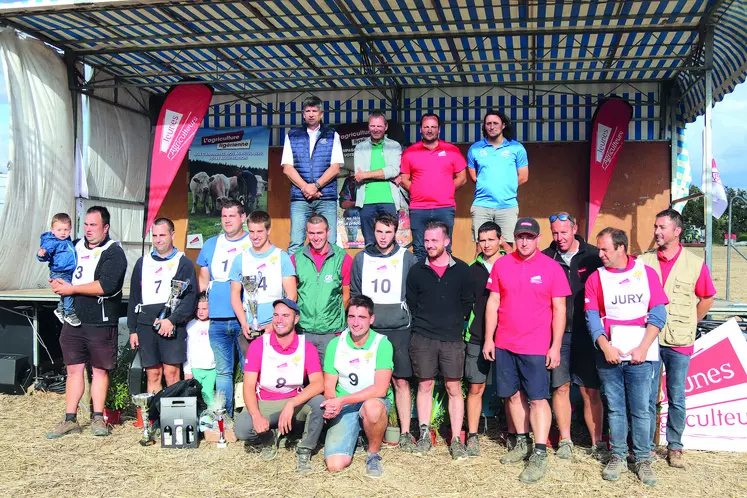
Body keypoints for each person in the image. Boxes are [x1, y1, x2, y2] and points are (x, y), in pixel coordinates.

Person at [482, 217, 570, 483]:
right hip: (506, 343)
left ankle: (540, 451)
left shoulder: (552, 267)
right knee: (511, 396)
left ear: (538, 239)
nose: (524, 241)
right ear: (514, 238)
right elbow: (493, 303)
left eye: (529, 237)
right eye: (520, 236)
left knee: (538, 399)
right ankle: (522, 442)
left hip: (536, 345)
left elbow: (560, 309)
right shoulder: (501, 264)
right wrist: (489, 339)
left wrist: (555, 346)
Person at [585, 227, 668, 487]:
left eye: (605, 249)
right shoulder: (595, 279)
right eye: (599, 249)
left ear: (621, 248)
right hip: (610, 355)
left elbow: (658, 313)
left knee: (642, 409)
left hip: (642, 357)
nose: (600, 254)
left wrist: (643, 347)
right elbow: (592, 319)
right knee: (616, 408)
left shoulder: (646, 273)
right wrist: (605, 347)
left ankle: (643, 458)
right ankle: (618, 455)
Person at [641, 209, 715, 469]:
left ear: (677, 231)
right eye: (655, 226)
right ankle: (646, 447)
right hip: (648, 340)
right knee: (647, 396)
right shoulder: (643, 261)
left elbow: (707, 298)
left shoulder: (695, 263)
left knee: (676, 396)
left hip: (679, 339)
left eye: (662, 227)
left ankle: (675, 447)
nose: (657, 232)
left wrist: (690, 321)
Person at [46, 206, 127, 438]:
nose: (88, 230)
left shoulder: (114, 252)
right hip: (73, 321)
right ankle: (70, 419)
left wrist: (72, 288)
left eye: (94, 225)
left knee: (99, 371)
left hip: (100, 321)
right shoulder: (74, 245)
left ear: (106, 227)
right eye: (86, 225)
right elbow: (59, 265)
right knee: (73, 370)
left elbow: (107, 285)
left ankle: (99, 418)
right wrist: (57, 282)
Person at [406, 221, 474, 461]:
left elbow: (467, 303)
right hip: (423, 337)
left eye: (434, 240)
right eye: (426, 240)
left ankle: (457, 439)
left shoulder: (463, 270)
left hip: (452, 340)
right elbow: (412, 304)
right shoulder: (416, 271)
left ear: (447, 241)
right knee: (424, 386)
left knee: (453, 388)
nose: (429, 245)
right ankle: (424, 435)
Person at [350, 212, 418, 451]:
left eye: (388, 232)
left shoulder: (406, 258)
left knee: (401, 382)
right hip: (371, 331)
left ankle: (406, 432)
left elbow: (415, 293)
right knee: (366, 383)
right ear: (373, 231)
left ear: (395, 232)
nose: (383, 236)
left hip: (399, 328)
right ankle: (361, 431)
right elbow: (356, 295)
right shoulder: (361, 259)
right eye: (379, 231)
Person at [235, 299, 325, 474]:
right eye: (276, 315)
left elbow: (318, 383)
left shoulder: (307, 347)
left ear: (296, 319)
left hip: (294, 401)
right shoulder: (259, 345)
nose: (279, 320)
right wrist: (255, 415)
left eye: (285, 316)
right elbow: (248, 386)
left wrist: (291, 404)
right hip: (267, 402)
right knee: (242, 428)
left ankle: (304, 449)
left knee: (319, 402)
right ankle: (270, 437)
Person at [541, 212, 605, 459]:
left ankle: (597, 442)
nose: (559, 238)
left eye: (564, 232)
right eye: (555, 233)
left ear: (575, 228)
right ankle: (565, 439)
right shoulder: (546, 257)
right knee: (561, 386)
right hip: (557, 334)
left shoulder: (593, 255)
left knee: (590, 389)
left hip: (588, 333)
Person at [321, 295, 394, 478]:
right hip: (344, 405)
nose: (356, 323)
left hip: (371, 400)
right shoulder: (335, 344)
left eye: (362, 317)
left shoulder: (382, 344)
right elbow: (329, 386)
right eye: (351, 316)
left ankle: (373, 454)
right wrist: (332, 404)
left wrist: (342, 399)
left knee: (373, 408)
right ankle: (358, 435)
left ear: (371, 319)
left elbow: (380, 389)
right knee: (335, 465)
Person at [127, 218, 197, 394]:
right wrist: (132, 329)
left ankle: (174, 418)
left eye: (163, 235)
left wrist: (172, 320)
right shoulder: (142, 262)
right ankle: (154, 416)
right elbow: (134, 297)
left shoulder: (184, 262)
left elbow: (190, 298)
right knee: (153, 374)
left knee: (171, 373)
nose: (158, 240)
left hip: (171, 324)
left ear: (172, 235)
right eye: (155, 235)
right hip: (146, 324)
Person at [197, 199, 251, 416]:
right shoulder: (211, 244)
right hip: (218, 319)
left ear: (243, 217)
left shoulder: (252, 242)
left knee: (250, 371)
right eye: (224, 216)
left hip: (245, 319)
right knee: (223, 372)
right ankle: (224, 418)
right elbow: (202, 281)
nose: (227, 220)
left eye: (232, 216)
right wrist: (201, 306)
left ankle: (249, 415)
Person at [281, 95, 344, 253]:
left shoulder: (332, 135)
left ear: (321, 113)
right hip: (300, 197)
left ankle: (329, 277)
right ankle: (294, 278)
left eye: (314, 111)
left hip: (326, 196)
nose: (311, 114)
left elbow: (335, 167)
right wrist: (305, 188)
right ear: (303, 114)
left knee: (330, 242)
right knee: (296, 242)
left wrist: (315, 186)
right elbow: (287, 168)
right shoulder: (292, 135)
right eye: (307, 111)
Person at [400, 114, 467, 261]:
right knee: (419, 249)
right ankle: (421, 284)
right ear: (420, 130)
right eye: (426, 127)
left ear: (439, 130)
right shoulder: (410, 152)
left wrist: (446, 189)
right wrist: (419, 190)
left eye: (433, 127)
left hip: (444, 207)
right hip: (419, 208)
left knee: (445, 248)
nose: (430, 130)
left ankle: (445, 283)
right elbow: (404, 180)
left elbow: (462, 178)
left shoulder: (452, 150)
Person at [464, 221, 505, 457]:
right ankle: (472, 436)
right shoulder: (471, 269)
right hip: (477, 337)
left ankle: (513, 435)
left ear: (500, 240)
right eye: (483, 240)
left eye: (491, 239)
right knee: (476, 387)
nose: (487, 244)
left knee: (511, 390)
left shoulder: (511, 265)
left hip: (508, 337)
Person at [228, 210, 297, 346]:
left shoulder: (281, 257)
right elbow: (235, 295)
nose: (255, 236)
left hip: (277, 329)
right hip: (249, 328)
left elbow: (292, 295)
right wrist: (243, 323)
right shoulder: (240, 259)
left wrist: (274, 324)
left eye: (259, 231)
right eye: (252, 231)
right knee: (249, 368)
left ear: (268, 230)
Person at [291, 214, 353, 363]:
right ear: (306, 233)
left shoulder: (342, 258)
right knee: (303, 379)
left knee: (329, 378)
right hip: (303, 329)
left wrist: (334, 320)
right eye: (311, 233)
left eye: (320, 233)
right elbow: (292, 294)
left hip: (330, 333)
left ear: (328, 232)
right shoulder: (296, 258)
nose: (316, 237)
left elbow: (346, 296)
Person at [468, 111, 528, 255]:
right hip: (482, 205)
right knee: (481, 248)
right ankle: (480, 277)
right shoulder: (475, 149)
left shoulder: (517, 148)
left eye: (495, 123)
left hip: (507, 206)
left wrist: (505, 187)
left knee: (507, 248)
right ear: (484, 126)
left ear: (503, 125)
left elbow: (523, 177)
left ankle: (507, 278)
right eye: (488, 123)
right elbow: (473, 176)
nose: (492, 127)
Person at [353, 112, 404, 246]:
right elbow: (358, 174)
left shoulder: (394, 146)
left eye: (379, 126)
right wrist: (384, 174)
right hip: (366, 201)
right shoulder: (360, 147)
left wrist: (366, 175)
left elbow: (394, 170)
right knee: (370, 242)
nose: (376, 129)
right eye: (373, 126)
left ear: (386, 127)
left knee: (389, 242)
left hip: (389, 200)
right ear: (368, 127)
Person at [37, 212, 79, 326]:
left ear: (70, 229)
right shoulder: (53, 242)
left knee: (66, 293)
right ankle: (69, 313)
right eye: (59, 230)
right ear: (53, 230)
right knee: (69, 292)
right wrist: (42, 254)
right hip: (59, 272)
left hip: (68, 272)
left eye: (66, 229)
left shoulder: (66, 240)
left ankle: (60, 309)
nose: (63, 233)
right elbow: (46, 254)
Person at [184, 293, 216, 406]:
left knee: (208, 395)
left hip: (211, 368)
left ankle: (211, 418)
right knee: (194, 396)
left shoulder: (214, 324)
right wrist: (187, 370)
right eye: (198, 308)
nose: (201, 312)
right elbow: (187, 348)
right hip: (195, 368)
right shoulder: (190, 325)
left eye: (204, 308)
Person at [338, 175, 361, 246]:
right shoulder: (351, 180)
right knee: (351, 212)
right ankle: (352, 246)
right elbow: (343, 204)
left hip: (373, 215)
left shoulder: (377, 180)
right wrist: (360, 202)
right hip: (355, 215)